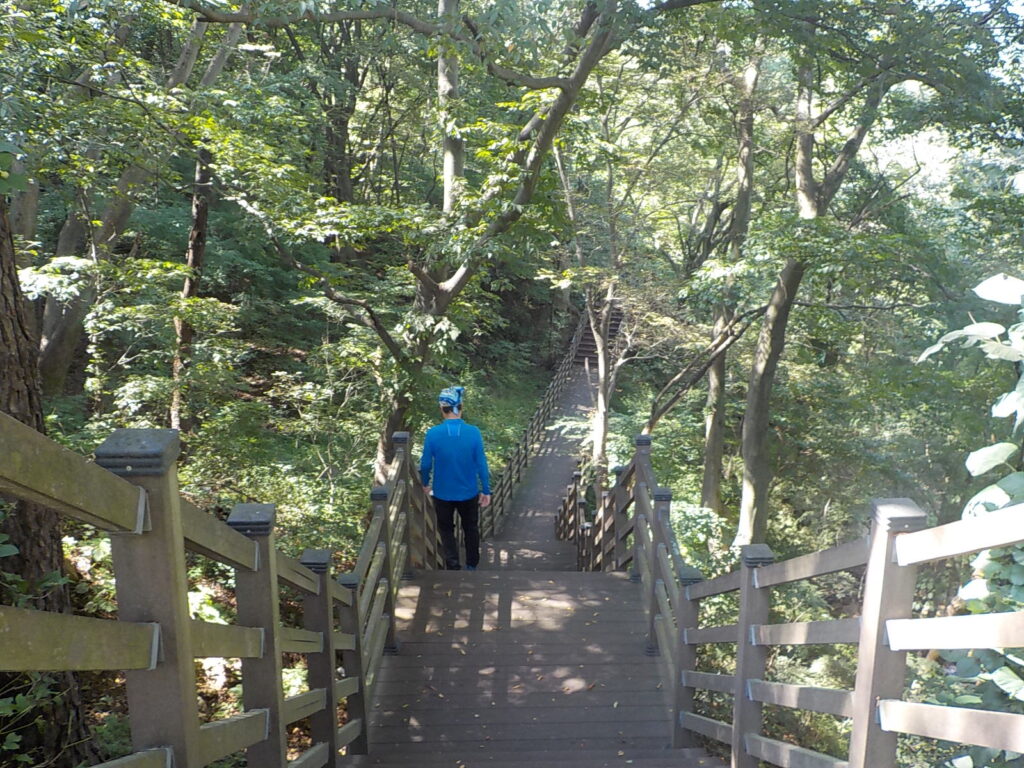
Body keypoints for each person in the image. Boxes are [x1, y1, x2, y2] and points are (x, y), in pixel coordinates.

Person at [419, 386, 491, 571]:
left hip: (442, 492)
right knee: (470, 528)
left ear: (442, 408)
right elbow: (481, 464)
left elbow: (426, 464)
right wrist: (486, 490)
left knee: (446, 529)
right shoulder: (473, 432)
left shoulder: (433, 433)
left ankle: (452, 564)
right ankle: (472, 564)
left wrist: (425, 483)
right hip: (468, 491)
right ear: (461, 406)